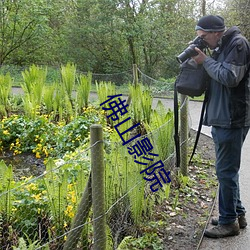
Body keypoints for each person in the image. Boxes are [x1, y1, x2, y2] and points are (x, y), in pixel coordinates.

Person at [192, 15, 250, 238]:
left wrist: (205, 61)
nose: (203, 41)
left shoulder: (238, 44)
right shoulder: (221, 46)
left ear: (216, 32)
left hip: (232, 118)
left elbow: (229, 77)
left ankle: (228, 223)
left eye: (204, 37)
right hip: (222, 117)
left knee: (225, 171)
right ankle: (237, 214)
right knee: (227, 171)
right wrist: (202, 60)